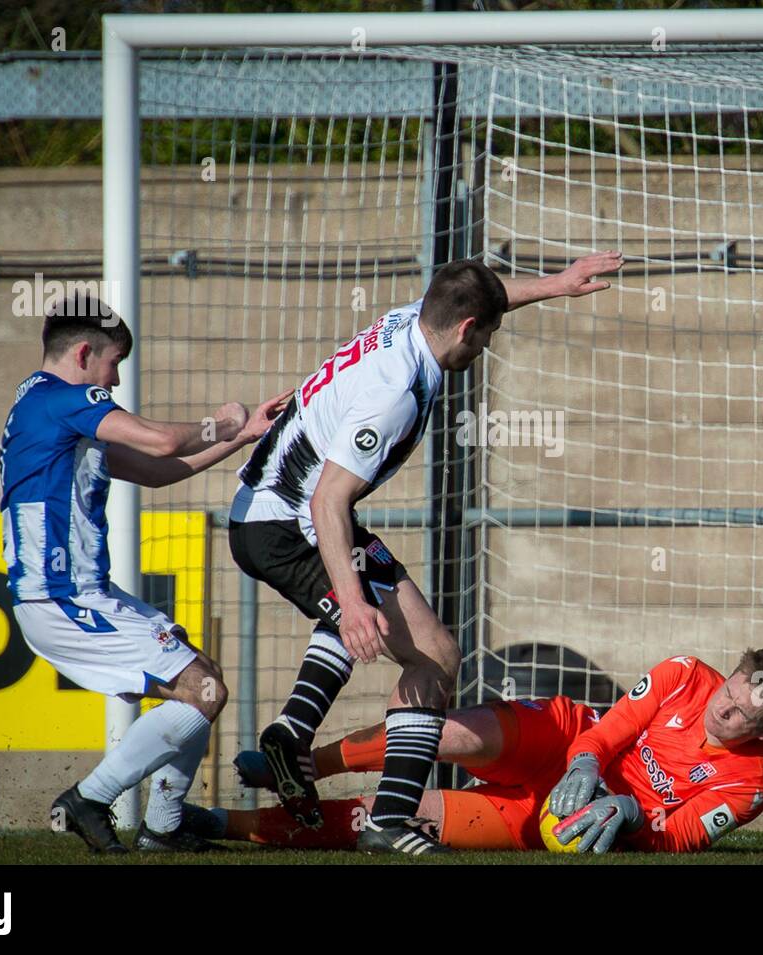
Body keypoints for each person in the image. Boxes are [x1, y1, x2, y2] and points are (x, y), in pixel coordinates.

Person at [227, 252, 623, 854]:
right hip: (287, 522)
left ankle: (293, 734)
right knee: (429, 653)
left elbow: (478, 297)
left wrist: (556, 285)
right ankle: (385, 820)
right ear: (467, 330)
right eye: (487, 339)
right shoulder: (396, 395)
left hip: (275, 510)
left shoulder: (414, 320)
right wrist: (355, 603)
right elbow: (329, 502)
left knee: (430, 647)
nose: (485, 350)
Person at [0, 292, 288, 853]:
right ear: (85, 353)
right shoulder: (65, 399)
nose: (114, 380)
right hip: (62, 597)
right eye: (114, 365)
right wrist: (222, 418)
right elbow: (159, 439)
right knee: (203, 690)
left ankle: (164, 827)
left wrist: (241, 434)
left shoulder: (41, 409)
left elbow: (157, 470)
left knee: (200, 677)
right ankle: (90, 798)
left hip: (76, 594)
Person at [195, 648, 763, 854]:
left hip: (560, 819)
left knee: (401, 816)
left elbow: (680, 837)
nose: (723, 710)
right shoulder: (683, 673)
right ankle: (307, 765)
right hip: (564, 739)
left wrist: (629, 815)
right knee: (446, 733)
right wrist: (589, 761)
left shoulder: (752, 783)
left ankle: (224, 824)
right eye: (729, 692)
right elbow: (609, 732)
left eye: (742, 715)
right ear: (727, 674)